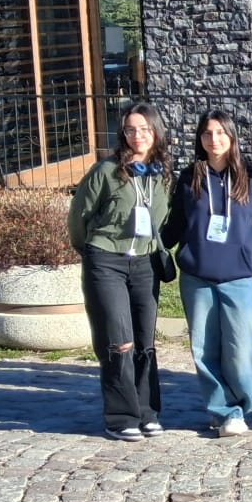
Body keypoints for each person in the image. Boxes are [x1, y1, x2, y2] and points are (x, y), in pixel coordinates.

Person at [164, 109, 252, 437]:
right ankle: (223, 410)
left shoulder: (250, 178)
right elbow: (176, 225)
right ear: (200, 139)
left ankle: (241, 402)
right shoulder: (189, 178)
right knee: (204, 350)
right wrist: (148, 246)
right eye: (208, 134)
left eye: (221, 133)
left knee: (241, 351)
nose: (215, 140)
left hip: (239, 278)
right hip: (198, 278)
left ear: (232, 137)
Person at [68, 102, 172, 441]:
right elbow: (78, 217)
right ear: (122, 134)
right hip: (107, 260)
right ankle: (121, 417)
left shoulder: (163, 174)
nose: (137, 136)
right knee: (119, 340)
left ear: (156, 132)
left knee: (144, 340)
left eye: (144, 129)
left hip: (144, 263)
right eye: (130, 130)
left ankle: (147, 412)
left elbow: (166, 220)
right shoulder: (107, 171)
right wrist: (94, 250)